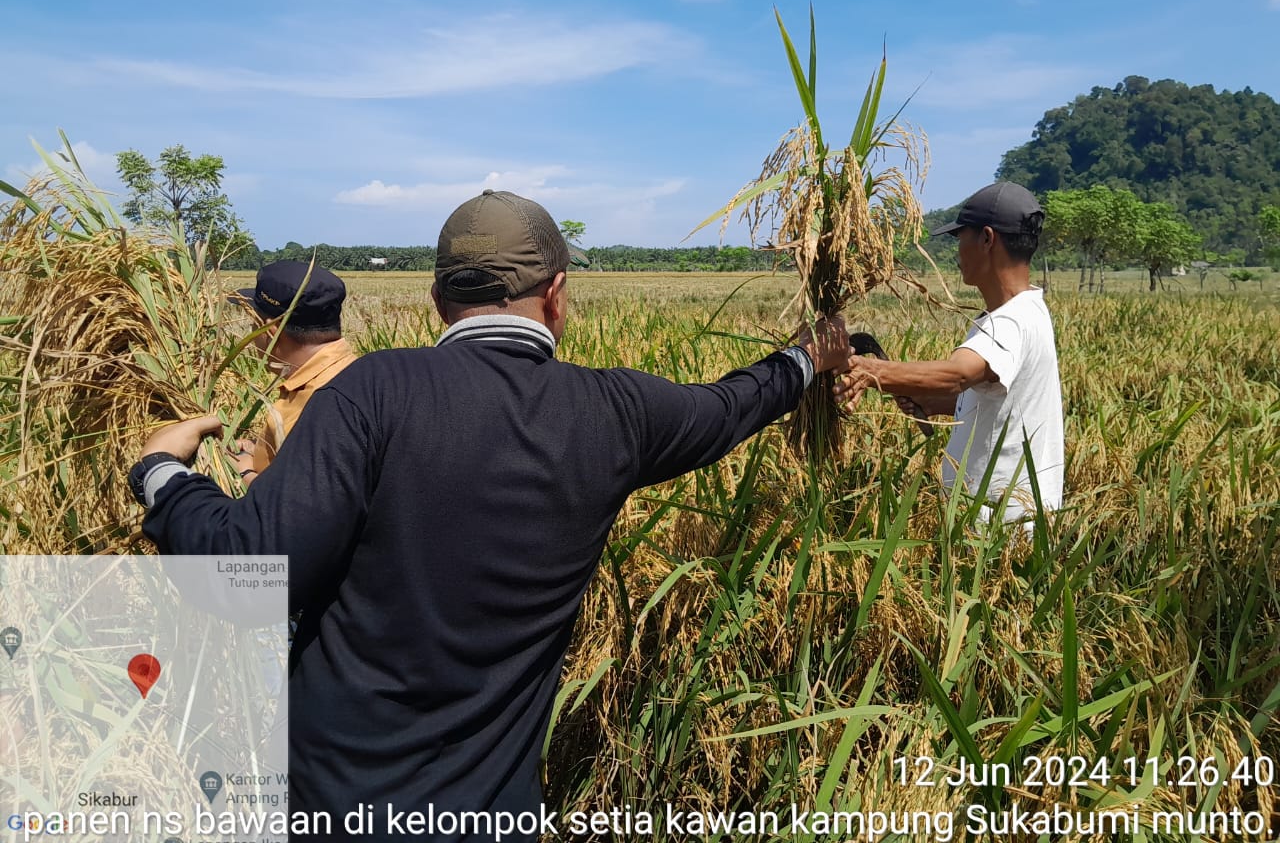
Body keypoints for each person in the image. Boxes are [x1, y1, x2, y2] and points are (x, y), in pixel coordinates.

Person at [126, 189, 849, 842]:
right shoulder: (618, 413)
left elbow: (246, 573)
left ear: (438, 300)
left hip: (338, 805)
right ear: (556, 295)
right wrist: (807, 359)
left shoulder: (371, 393)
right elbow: (729, 406)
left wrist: (164, 474)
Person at [837, 181, 1064, 532]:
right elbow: (997, 401)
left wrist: (869, 370)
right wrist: (935, 402)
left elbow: (958, 374)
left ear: (986, 239)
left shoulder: (1011, 322)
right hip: (996, 518)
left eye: (961, 238)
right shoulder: (1027, 309)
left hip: (1002, 526)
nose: (958, 252)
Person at [228, 260, 358, 484]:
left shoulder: (314, 407)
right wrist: (257, 451)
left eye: (253, 324)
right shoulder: (354, 373)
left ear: (270, 331)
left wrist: (245, 472)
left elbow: (301, 500)